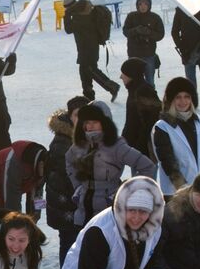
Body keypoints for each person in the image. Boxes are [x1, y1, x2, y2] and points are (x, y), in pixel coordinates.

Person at [65, 99, 156, 232]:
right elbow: (69, 161)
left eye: (95, 122)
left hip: (109, 211)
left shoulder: (117, 146)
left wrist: (128, 191)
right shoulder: (80, 144)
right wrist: (78, 186)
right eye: (87, 123)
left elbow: (147, 166)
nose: (90, 127)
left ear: (105, 123)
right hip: (83, 211)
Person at [151, 77, 200, 197]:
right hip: (177, 194)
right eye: (178, 97)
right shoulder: (163, 127)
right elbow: (168, 162)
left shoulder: (198, 122)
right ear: (171, 100)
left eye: (187, 97)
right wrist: (183, 189)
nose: (183, 101)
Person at [45, 97, 88, 263]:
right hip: (66, 207)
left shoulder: (88, 138)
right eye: (78, 115)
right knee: (70, 247)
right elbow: (67, 179)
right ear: (70, 117)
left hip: (79, 205)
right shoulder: (62, 143)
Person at [62, 0, 119, 100]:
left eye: (66, 8)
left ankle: (111, 86)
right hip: (90, 48)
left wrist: (66, 15)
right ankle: (89, 96)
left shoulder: (79, 16)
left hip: (86, 49)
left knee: (90, 70)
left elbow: (68, 29)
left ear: (69, 7)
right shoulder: (86, 11)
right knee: (85, 72)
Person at [171, 5, 200, 110]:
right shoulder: (180, 11)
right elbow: (174, 31)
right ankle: (192, 102)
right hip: (187, 51)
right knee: (190, 80)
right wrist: (181, 46)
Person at [0, 141, 46, 217]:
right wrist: (17, 222)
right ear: (40, 164)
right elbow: (12, 201)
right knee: (1, 216)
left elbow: (38, 195)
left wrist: (34, 218)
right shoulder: (14, 164)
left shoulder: (44, 167)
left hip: (13, 187)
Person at [119, 58, 162, 160]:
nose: (120, 76)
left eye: (123, 73)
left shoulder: (143, 91)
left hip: (145, 152)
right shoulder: (134, 89)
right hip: (136, 149)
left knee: (144, 176)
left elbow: (151, 122)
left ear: (131, 75)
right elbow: (131, 122)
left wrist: (140, 147)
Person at [122, 0, 166, 86]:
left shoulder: (155, 17)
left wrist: (149, 32)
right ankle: (136, 99)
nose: (143, 6)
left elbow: (160, 35)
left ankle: (151, 99)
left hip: (148, 54)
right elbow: (125, 31)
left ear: (149, 5)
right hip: (134, 54)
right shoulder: (131, 16)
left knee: (150, 81)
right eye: (140, 4)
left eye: (145, 4)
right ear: (137, 5)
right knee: (134, 82)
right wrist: (136, 30)